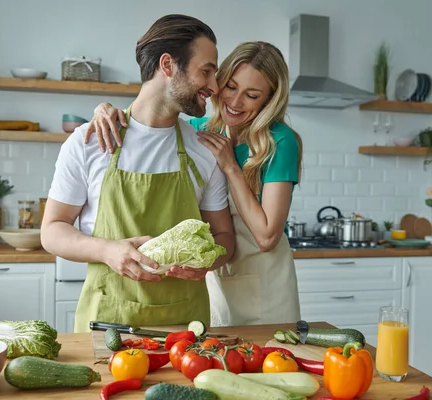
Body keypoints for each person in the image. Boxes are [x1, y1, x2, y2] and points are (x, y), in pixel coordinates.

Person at [84, 41, 303, 326]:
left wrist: (230, 166)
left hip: (266, 283)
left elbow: (266, 237)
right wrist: (105, 110)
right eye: (231, 87)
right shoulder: (201, 131)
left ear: (269, 100)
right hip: (215, 278)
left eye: (251, 95)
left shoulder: (280, 142)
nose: (235, 102)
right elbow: (149, 118)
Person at [41, 14, 235, 333]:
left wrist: (206, 264)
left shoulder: (204, 150)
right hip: (108, 324)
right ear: (168, 65)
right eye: (207, 71)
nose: (215, 87)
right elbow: (51, 230)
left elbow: (225, 239)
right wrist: (107, 251)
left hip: (185, 332)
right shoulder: (90, 142)